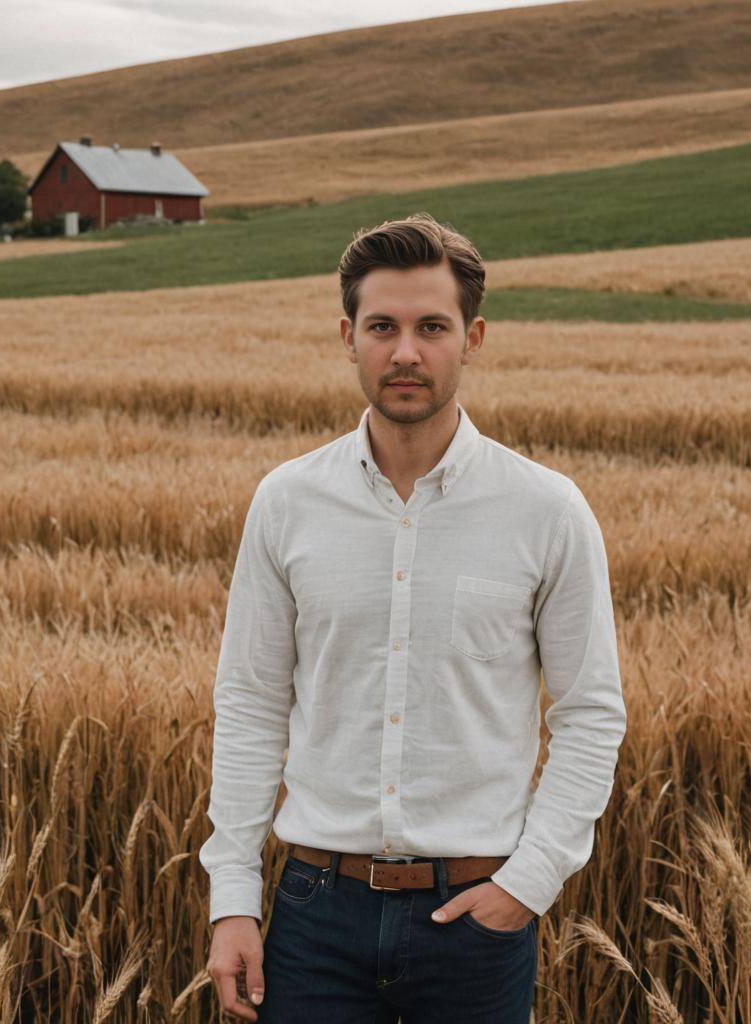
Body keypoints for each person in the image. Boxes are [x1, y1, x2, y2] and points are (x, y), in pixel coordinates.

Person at [199, 212, 627, 1023]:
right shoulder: (287, 502)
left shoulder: (545, 510)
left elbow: (590, 714)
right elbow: (251, 705)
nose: (405, 352)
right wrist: (234, 898)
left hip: (474, 918)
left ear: (473, 338)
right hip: (315, 913)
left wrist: (526, 885)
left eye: (432, 327)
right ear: (346, 335)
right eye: (382, 326)